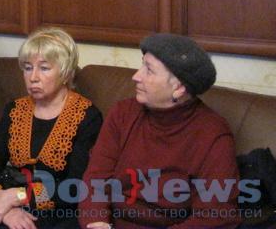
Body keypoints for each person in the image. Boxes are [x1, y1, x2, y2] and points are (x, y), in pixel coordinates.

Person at [78, 33, 241, 229]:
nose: (136, 76)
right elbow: (95, 179)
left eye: (149, 70)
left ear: (179, 87)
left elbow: (214, 216)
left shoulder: (213, 134)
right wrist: (96, 222)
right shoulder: (123, 113)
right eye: (142, 65)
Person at [0, 27, 103, 229]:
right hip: (9, 202)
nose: (33, 77)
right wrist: (6, 208)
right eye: (28, 67)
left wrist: (19, 196)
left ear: (66, 72)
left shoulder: (87, 116)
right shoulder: (16, 109)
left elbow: (76, 186)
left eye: (44, 68)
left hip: (56, 210)